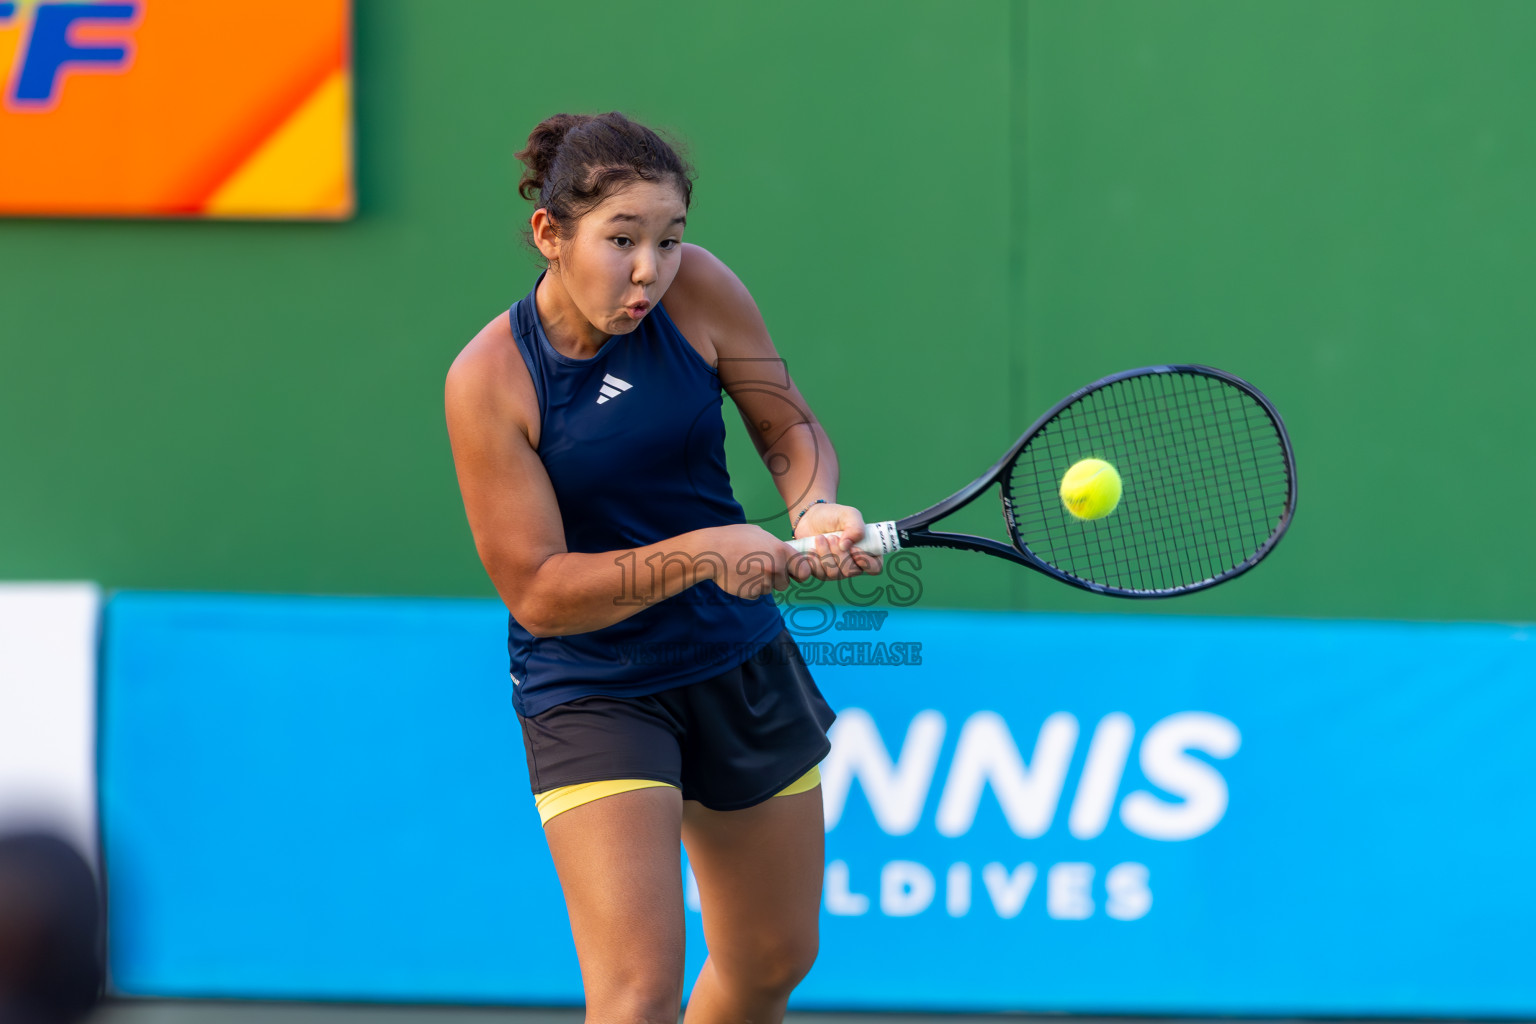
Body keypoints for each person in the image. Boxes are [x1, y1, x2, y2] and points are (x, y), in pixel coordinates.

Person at [444, 111, 882, 1024]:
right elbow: (540, 591)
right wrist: (701, 557)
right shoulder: (491, 380)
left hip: (737, 661)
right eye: (621, 240)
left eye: (669, 240)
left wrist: (815, 508)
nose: (650, 269)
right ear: (550, 235)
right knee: (637, 997)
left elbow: (787, 427)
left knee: (771, 959)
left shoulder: (700, 293)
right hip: (594, 684)